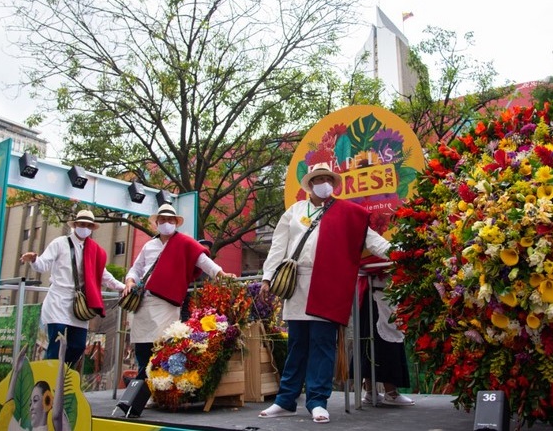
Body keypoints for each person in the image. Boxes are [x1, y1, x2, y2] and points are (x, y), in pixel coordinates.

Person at [257, 162, 391, 424]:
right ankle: (285, 400)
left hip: (328, 283)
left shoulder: (348, 213)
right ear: (310, 184)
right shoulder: (295, 211)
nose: (323, 183)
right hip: (297, 283)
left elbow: (373, 240)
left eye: (327, 179)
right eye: (318, 179)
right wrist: (267, 277)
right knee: (297, 344)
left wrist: (402, 254)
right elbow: (278, 246)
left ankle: (317, 401)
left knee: (323, 343)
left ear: (333, 183)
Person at [122, 204, 234, 383]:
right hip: (143, 302)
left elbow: (204, 261)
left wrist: (221, 274)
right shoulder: (149, 245)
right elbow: (136, 269)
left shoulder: (185, 243)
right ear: (157, 222)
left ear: (175, 223)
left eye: (170, 220)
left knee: (162, 348)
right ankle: (142, 387)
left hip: (167, 304)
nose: (166, 222)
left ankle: (155, 387)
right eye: (163, 219)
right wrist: (129, 281)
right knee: (142, 348)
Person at [20, 209, 125, 367]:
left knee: (78, 346)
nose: (84, 228)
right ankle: (50, 377)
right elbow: (43, 265)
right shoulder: (59, 243)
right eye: (81, 224)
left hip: (79, 305)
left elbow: (103, 275)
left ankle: (64, 374)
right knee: (56, 345)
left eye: (88, 225)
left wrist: (123, 287)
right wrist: (34, 259)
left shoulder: (94, 250)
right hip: (58, 300)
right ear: (75, 225)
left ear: (92, 228)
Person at [354, 270, 414, 406]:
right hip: (377, 292)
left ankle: (372, 392)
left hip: (379, 292)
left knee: (374, 340)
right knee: (383, 342)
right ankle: (389, 392)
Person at [179, 238, 214, 322]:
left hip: (205, 299)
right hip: (190, 298)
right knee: (188, 318)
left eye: (207, 249)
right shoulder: (190, 264)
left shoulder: (211, 266)